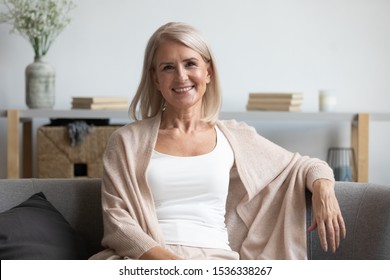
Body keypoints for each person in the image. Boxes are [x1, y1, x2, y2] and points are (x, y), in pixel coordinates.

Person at [90, 22, 346, 260]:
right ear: (156, 78)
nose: (181, 76)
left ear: (208, 72)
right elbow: (117, 222)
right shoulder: (126, 141)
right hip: (145, 261)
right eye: (168, 67)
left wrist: (324, 188)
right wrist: (174, 267)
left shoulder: (234, 137)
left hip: (217, 261)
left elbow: (302, 166)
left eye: (191, 64)